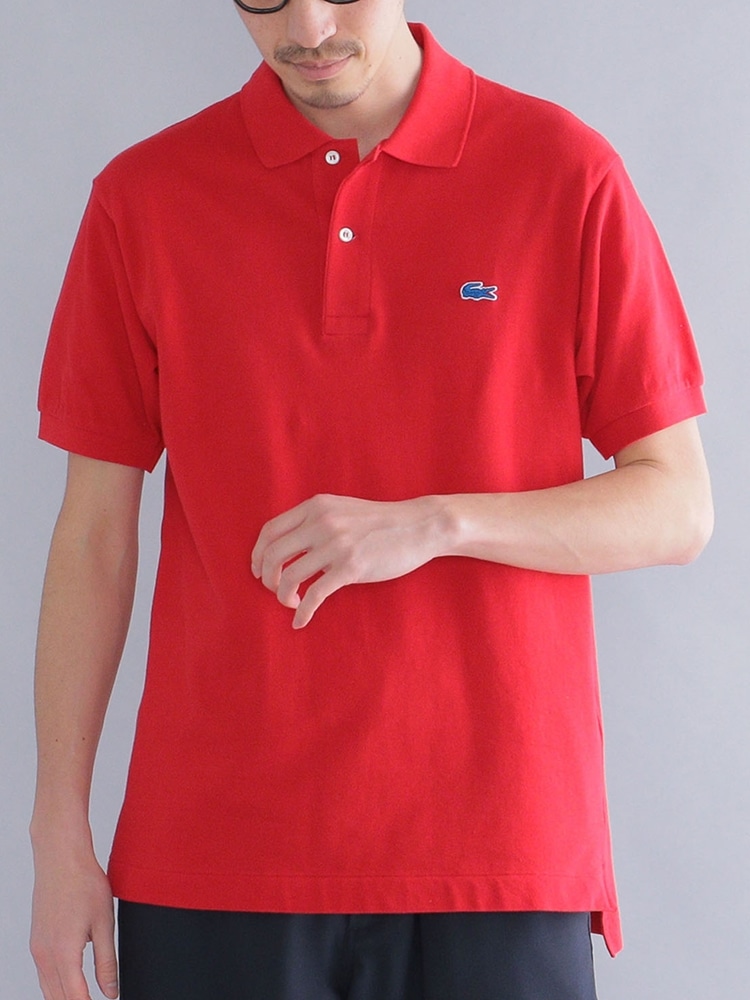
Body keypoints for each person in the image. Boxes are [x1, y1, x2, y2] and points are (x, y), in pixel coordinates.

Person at [29, 2, 713, 998]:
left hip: (496, 857)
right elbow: (92, 537)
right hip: (217, 855)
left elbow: (678, 505)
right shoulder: (146, 197)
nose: (308, 27)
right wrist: (57, 836)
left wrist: (435, 523)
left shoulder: (563, 172)